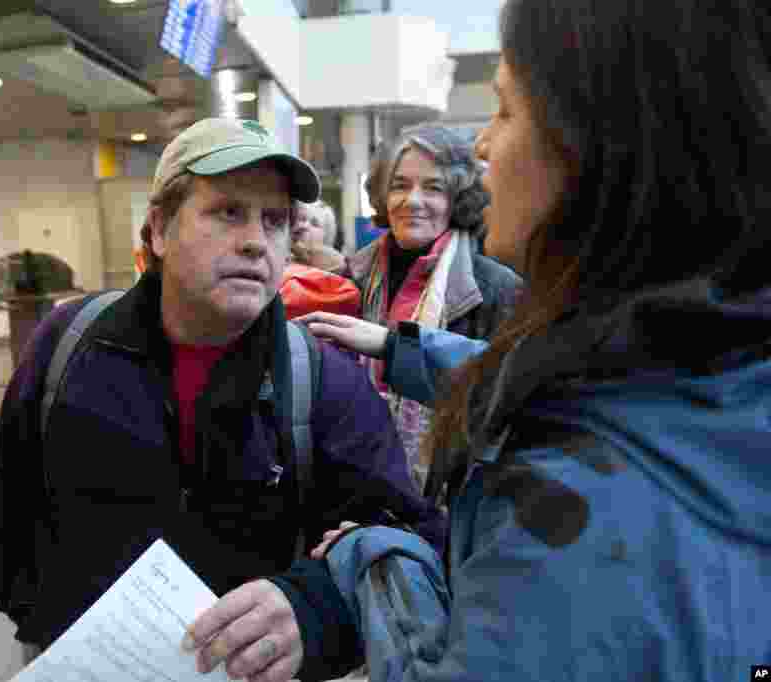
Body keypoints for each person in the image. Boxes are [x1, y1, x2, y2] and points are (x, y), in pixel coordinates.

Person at [182, 0, 771, 679]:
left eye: (504, 111)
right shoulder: (688, 364)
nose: (485, 144)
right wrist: (399, 346)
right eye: (226, 213)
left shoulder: (572, 519)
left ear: (598, 150)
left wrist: (375, 561)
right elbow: (548, 381)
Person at [0, 117, 441, 662]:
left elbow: (407, 540)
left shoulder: (322, 384)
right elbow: (16, 523)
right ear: (158, 229)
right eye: (228, 212)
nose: (255, 242)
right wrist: (44, 624)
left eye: (274, 221)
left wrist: (314, 609)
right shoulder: (70, 345)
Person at [345, 122, 522, 491]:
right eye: (399, 185)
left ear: (457, 199)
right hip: (354, 480)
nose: (413, 201)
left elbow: (503, 402)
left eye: (433, 187)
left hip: (448, 495)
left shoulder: (497, 288)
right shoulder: (348, 279)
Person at [280, 200, 361, 320]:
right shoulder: (277, 260)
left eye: (314, 223)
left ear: (327, 235)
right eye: (300, 220)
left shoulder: (340, 272)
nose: (303, 226)